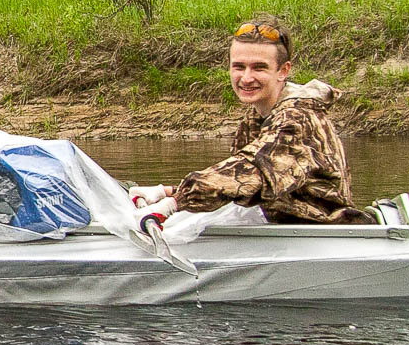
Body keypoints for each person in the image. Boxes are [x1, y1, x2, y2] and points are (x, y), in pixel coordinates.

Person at [130, 17, 371, 225]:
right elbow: (239, 188)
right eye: (239, 67)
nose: (246, 78)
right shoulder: (258, 115)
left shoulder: (298, 119)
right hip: (281, 233)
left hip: (324, 237)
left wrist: (175, 202)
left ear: (283, 71)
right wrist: (165, 192)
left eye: (259, 68)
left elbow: (251, 172)